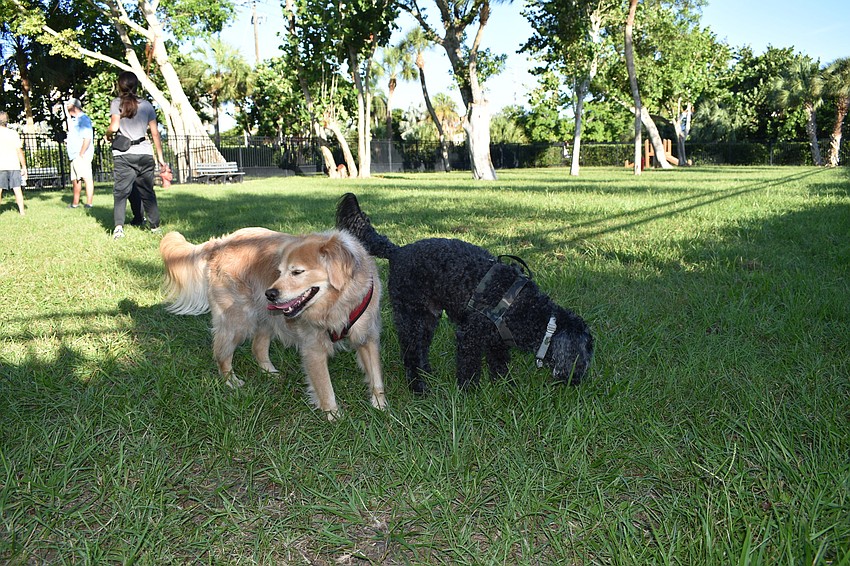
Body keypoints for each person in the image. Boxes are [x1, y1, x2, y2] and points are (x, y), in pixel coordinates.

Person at [106, 71, 167, 239]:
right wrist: (160, 157)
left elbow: (114, 126)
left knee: (121, 192)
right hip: (145, 153)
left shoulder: (117, 103)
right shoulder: (147, 105)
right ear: (136, 85)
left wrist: (107, 134)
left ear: (120, 85)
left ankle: (119, 227)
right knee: (147, 191)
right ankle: (155, 227)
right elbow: (155, 133)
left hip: (124, 154)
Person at [64, 98, 95, 209]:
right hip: (74, 155)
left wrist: (81, 153)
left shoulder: (84, 119)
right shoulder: (74, 120)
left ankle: (89, 203)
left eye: (68, 106)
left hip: (81, 155)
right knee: (75, 179)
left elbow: (87, 138)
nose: (67, 108)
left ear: (74, 107)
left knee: (86, 178)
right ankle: (75, 203)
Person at [0, 110, 27, 216]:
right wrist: (24, 166)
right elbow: (19, 151)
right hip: (13, 165)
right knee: (17, 188)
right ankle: (22, 212)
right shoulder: (13, 133)